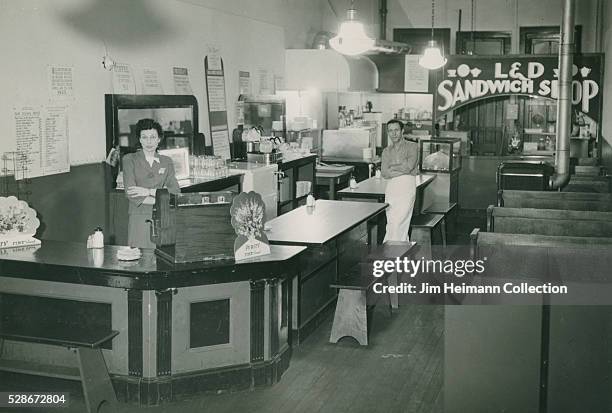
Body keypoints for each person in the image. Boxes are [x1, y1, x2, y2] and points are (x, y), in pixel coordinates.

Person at [123, 118, 180, 248]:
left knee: (162, 258)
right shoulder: (129, 160)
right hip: (139, 218)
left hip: (163, 217)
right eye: (144, 137)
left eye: (153, 137)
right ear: (140, 139)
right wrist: (163, 198)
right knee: (140, 260)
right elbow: (132, 194)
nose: (149, 142)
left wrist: (149, 191)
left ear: (159, 139)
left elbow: (176, 192)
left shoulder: (166, 161)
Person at [381, 119, 419, 242]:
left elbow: (409, 166)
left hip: (406, 187)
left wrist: (392, 167)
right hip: (391, 188)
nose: (394, 133)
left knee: (400, 221)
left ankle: (392, 252)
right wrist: (400, 167)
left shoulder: (412, 146)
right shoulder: (386, 151)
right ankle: (398, 252)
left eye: (396, 130)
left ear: (402, 131)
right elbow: (385, 173)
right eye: (391, 131)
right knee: (391, 222)